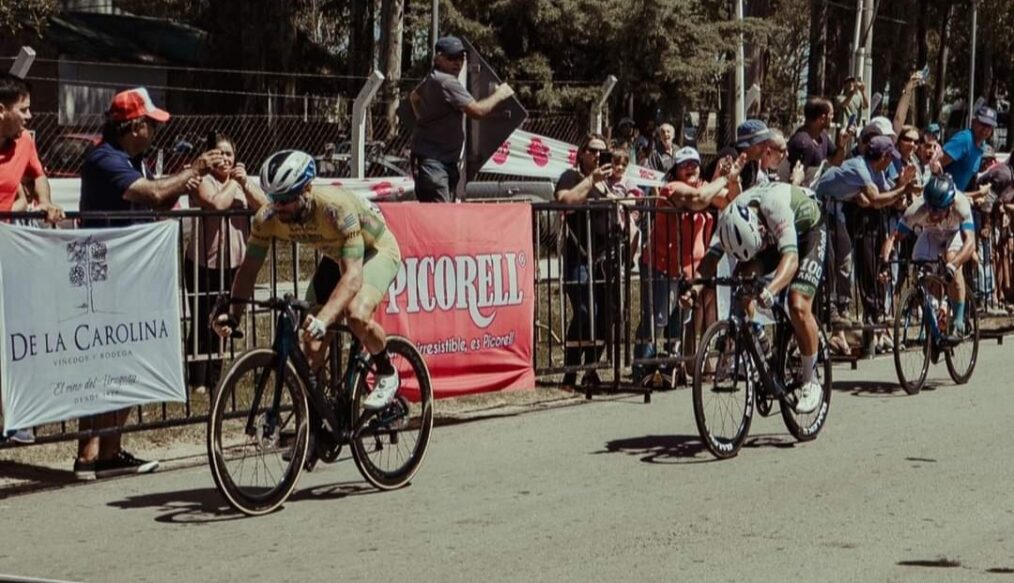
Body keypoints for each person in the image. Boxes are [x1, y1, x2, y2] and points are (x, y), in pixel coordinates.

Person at [73, 87, 223, 480]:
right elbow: (153, 193)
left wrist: (182, 182)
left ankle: (100, 451)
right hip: (111, 276)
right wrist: (196, 169)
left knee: (115, 362)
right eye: (151, 124)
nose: (155, 131)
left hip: (127, 274)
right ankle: (100, 451)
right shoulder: (106, 158)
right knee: (111, 362)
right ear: (133, 126)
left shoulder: (131, 159)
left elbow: (158, 198)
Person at [213, 150, 403, 415]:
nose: (279, 207)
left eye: (287, 199)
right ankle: (315, 426)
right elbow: (249, 270)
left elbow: (352, 277)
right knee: (310, 348)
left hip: (375, 251)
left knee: (355, 315)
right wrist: (233, 314)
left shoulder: (335, 210)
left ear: (307, 189)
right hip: (335, 257)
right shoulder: (267, 218)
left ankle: (386, 371)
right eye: (274, 199)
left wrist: (323, 320)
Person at [687, 182, 828, 414]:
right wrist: (693, 290)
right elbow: (709, 262)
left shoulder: (774, 207)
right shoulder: (729, 220)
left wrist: (770, 290)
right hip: (772, 238)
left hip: (808, 231)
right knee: (743, 281)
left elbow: (791, 260)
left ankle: (810, 380)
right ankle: (760, 342)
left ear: (759, 229)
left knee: (798, 304)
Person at [633, 146, 740, 382]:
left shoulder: (704, 187)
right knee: (655, 319)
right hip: (660, 264)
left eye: (695, 163)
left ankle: (669, 367)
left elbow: (732, 201)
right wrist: (723, 178)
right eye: (684, 164)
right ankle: (642, 368)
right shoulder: (671, 189)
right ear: (675, 170)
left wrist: (733, 178)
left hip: (687, 271)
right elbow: (699, 200)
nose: (691, 168)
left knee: (679, 321)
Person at [185, 133, 267, 395]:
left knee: (225, 320)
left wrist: (246, 184)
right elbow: (217, 204)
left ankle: (216, 378)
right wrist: (234, 182)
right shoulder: (202, 181)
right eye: (219, 153)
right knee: (203, 319)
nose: (225, 159)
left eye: (229, 154)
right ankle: (197, 379)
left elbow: (265, 208)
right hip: (204, 263)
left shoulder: (242, 183)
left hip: (235, 263)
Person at [409, 36, 515, 202]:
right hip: (435, 164)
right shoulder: (447, 82)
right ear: (439, 58)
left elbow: (414, 97)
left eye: (461, 58)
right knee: (441, 220)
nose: (457, 63)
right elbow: (478, 111)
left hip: (439, 161)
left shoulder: (432, 77)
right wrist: (500, 94)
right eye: (451, 58)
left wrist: (426, 122)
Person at [554, 134, 620, 389]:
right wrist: (592, 179)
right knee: (584, 313)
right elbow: (564, 201)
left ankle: (591, 369)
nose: (596, 156)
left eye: (601, 152)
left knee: (607, 316)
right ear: (581, 153)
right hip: (579, 258)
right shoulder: (572, 176)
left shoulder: (608, 184)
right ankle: (570, 373)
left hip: (605, 261)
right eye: (592, 151)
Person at [880, 175, 976, 341]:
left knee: (952, 258)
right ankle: (933, 325)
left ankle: (959, 323)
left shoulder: (961, 205)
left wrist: (954, 265)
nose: (932, 214)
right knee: (921, 269)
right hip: (931, 234)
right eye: (930, 208)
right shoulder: (917, 209)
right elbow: (894, 237)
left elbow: (970, 243)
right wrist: (884, 264)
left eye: (938, 210)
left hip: (954, 233)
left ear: (950, 204)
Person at [0, 73, 63, 223]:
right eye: (23, 110)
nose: (29, 116)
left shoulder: (25, 140)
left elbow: (37, 175)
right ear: (1, 110)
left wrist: (44, 201)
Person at [938, 105, 997, 192]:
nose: (985, 129)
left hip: (957, 197)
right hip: (942, 197)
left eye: (989, 127)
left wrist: (982, 167)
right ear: (973, 122)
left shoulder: (981, 146)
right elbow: (937, 163)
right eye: (983, 124)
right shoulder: (965, 139)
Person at [787, 97, 851, 175]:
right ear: (822, 118)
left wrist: (841, 145)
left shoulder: (823, 136)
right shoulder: (803, 143)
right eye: (831, 114)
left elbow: (836, 162)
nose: (833, 117)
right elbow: (794, 179)